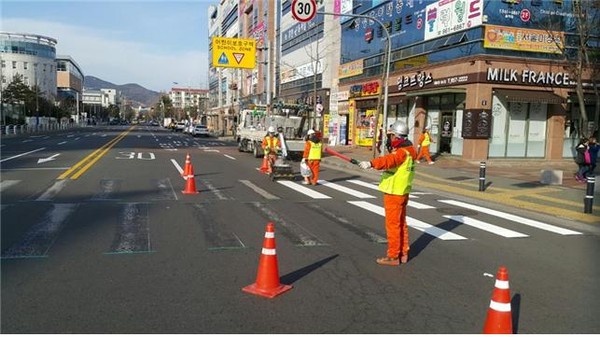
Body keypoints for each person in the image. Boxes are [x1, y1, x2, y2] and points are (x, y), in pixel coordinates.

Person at [358, 120, 417, 266]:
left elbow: (389, 160)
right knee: (401, 223)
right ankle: (403, 253)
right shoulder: (410, 150)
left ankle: (393, 256)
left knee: (393, 225)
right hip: (402, 191)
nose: (389, 139)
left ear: (396, 137)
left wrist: (371, 163)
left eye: (391, 136)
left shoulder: (401, 152)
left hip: (394, 192)